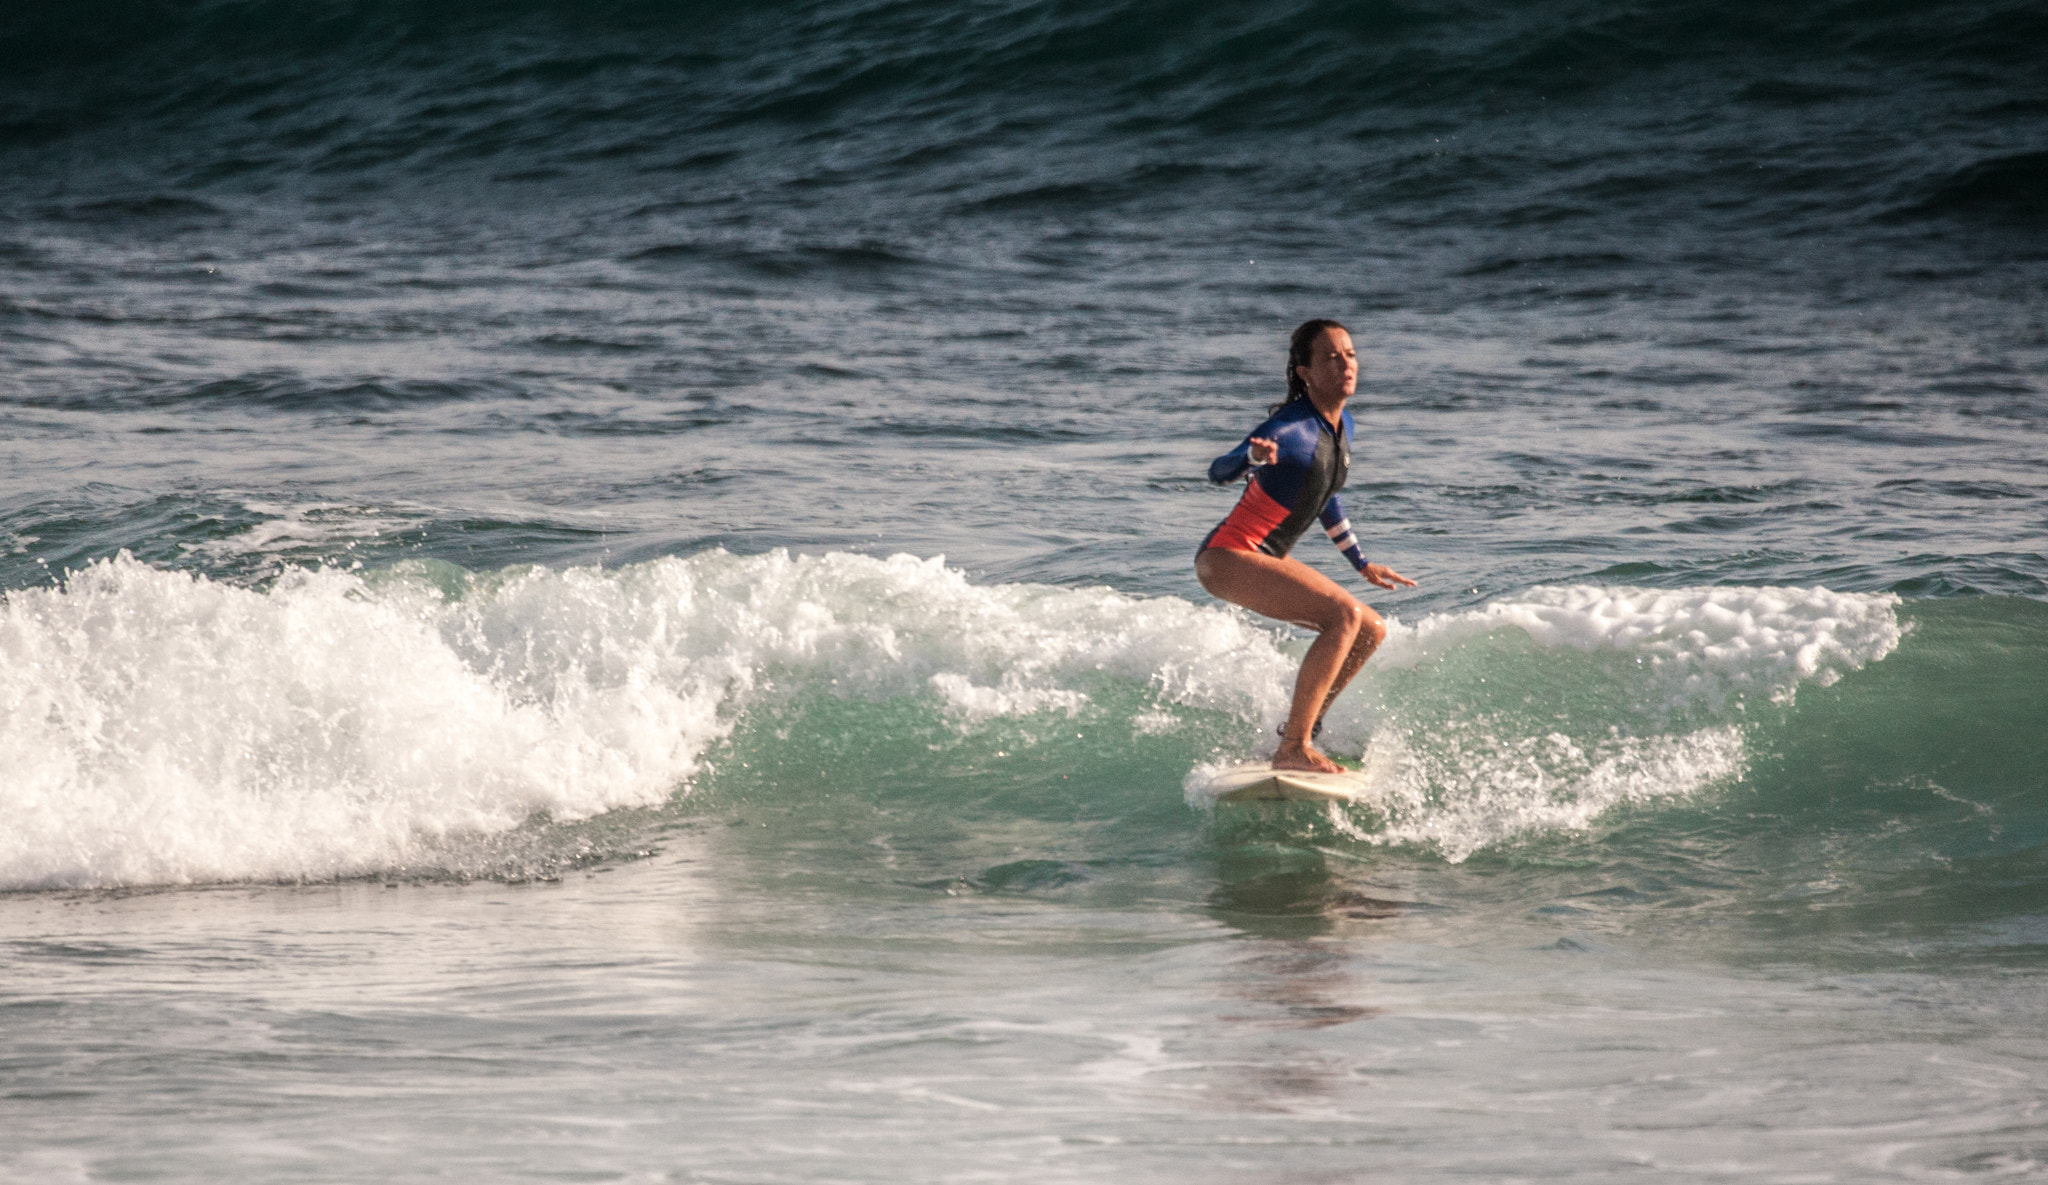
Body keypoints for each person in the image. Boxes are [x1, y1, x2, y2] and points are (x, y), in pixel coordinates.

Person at [1196, 319, 1415, 774]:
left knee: (1370, 629)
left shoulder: (1341, 425)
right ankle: (1293, 746)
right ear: (1305, 372)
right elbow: (1218, 470)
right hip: (1230, 555)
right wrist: (1249, 459)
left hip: (1262, 557)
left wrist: (1361, 562)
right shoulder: (1288, 428)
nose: (1345, 364)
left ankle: (1301, 730)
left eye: (1350, 355)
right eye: (1331, 358)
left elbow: (1323, 495)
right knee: (1343, 616)